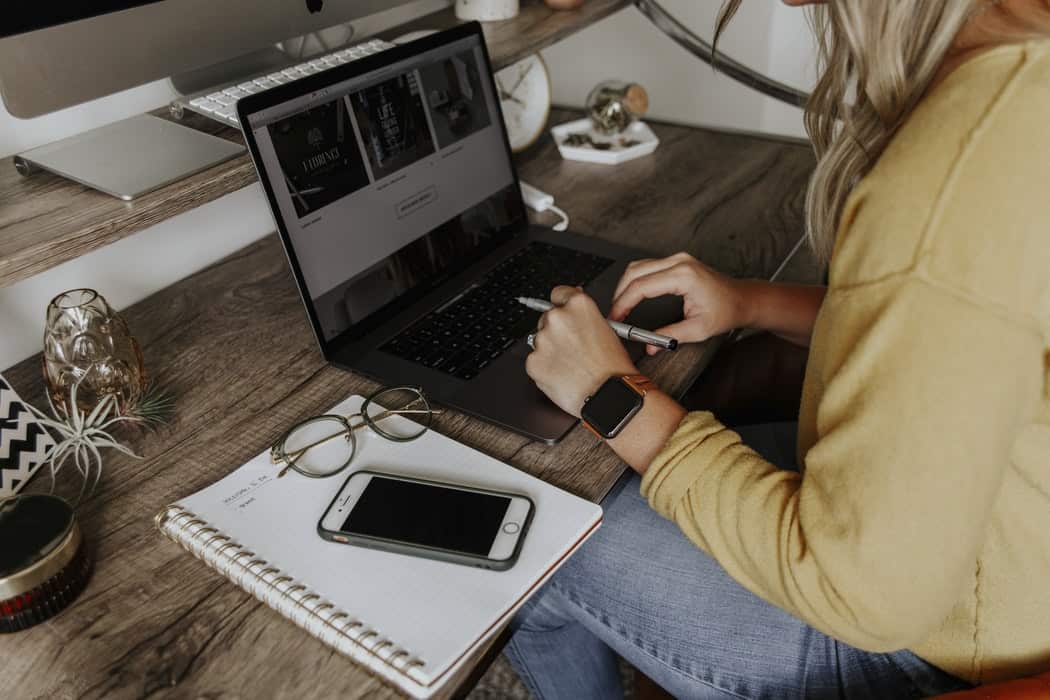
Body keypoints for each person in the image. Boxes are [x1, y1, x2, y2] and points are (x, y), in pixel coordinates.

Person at [506, 0, 1050, 697]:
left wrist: (608, 395)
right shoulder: (1020, 83)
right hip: (1007, 566)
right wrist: (749, 302)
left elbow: (863, 595)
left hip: (928, 650)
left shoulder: (957, 172)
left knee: (534, 526)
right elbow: (954, 338)